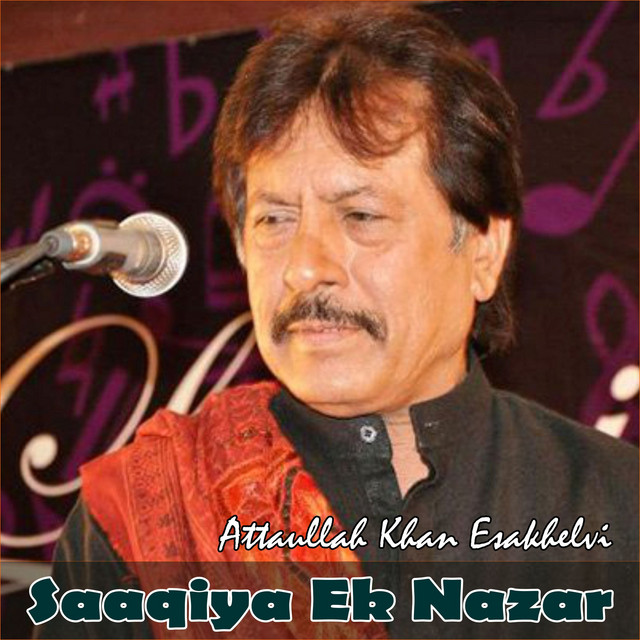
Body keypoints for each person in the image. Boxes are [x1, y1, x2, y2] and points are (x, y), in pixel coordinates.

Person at [38, 4, 637, 639]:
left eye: (361, 216)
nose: (305, 268)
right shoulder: (138, 522)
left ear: (483, 251)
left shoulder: (613, 507)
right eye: (274, 220)